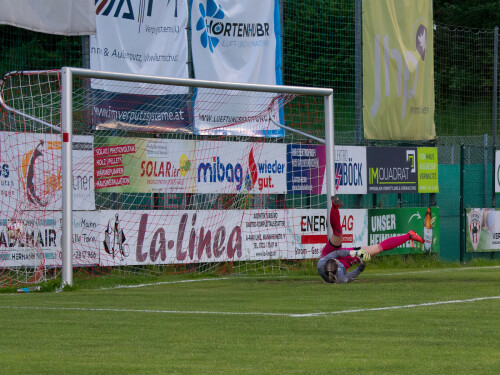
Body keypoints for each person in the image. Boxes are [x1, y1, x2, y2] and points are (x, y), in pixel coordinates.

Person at [317, 196, 424, 283]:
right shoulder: (340, 279)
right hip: (346, 261)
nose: (336, 259)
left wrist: (355, 252)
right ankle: (410, 235)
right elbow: (352, 276)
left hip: (330, 252)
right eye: (336, 261)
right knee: (379, 248)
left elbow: (337, 252)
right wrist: (362, 265)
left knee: (338, 233)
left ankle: (334, 207)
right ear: (337, 266)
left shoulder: (321, 263)